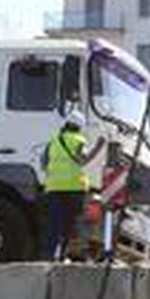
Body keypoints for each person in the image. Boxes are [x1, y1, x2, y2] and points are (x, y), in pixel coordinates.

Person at [40, 109, 105, 261]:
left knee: (53, 225)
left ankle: (48, 257)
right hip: (74, 189)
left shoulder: (53, 141)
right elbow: (83, 160)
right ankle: (65, 255)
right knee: (71, 225)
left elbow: (43, 164)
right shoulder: (78, 140)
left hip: (54, 189)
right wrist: (99, 147)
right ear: (79, 127)